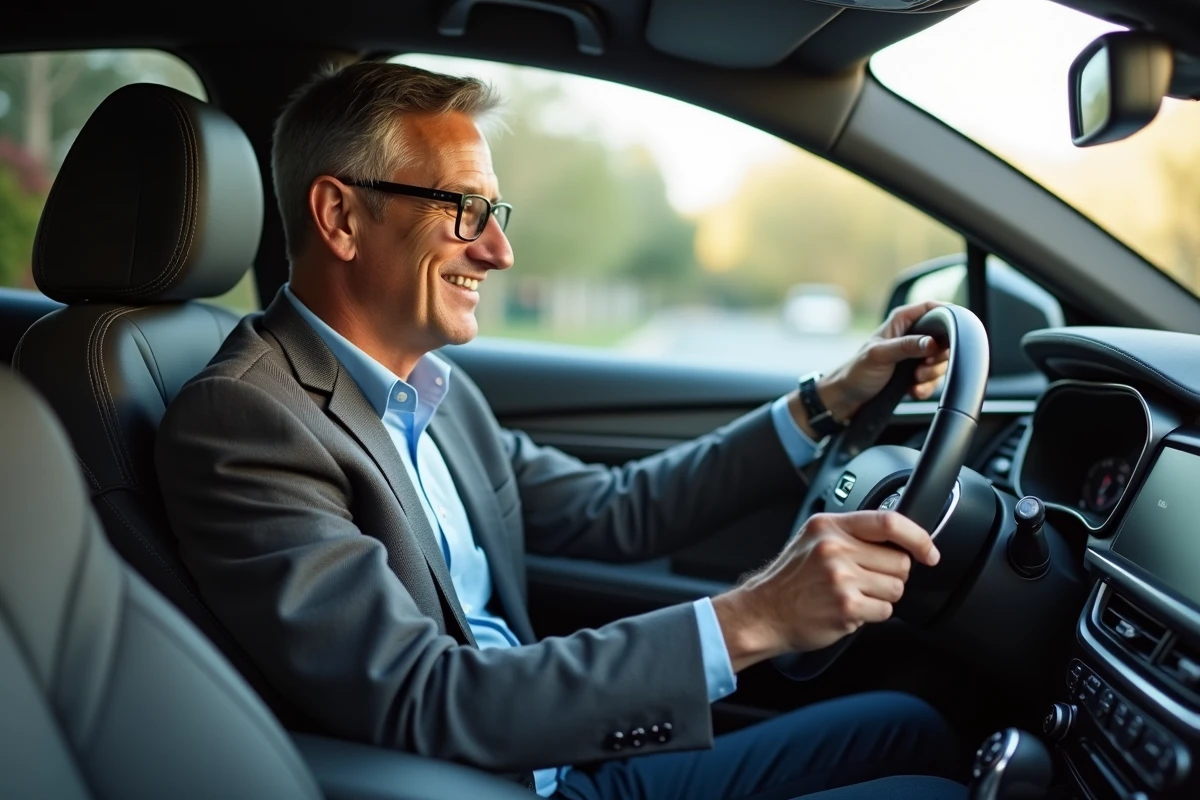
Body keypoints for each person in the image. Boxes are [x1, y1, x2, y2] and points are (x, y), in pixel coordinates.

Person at [156, 61, 967, 800]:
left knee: (912, 728)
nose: (500, 250)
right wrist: (755, 617)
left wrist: (828, 400)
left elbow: (619, 510)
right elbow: (421, 696)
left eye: (495, 210)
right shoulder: (246, 421)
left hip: (561, 754)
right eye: (466, 209)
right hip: (484, 782)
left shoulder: (436, 391)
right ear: (339, 215)